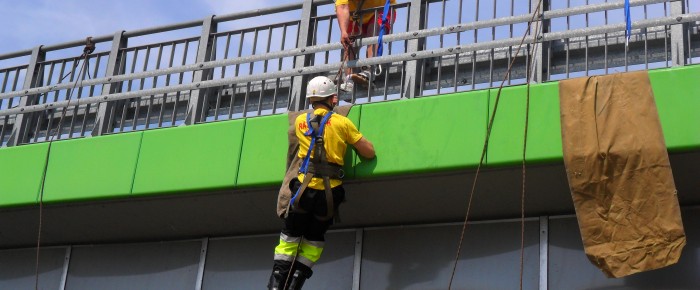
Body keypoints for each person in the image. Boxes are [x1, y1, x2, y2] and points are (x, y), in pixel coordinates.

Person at [267, 76, 375, 290]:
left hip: (302, 190)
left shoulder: (299, 122)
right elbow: (368, 152)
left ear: (310, 99)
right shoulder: (343, 123)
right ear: (332, 99)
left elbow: (312, 132)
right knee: (314, 238)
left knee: (290, 238)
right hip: (329, 193)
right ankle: (296, 282)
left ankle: (276, 285)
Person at [336, 0, 396, 92]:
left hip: (380, 8)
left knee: (373, 32)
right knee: (348, 43)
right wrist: (343, 32)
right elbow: (342, 7)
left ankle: (369, 71)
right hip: (356, 14)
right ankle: (349, 80)